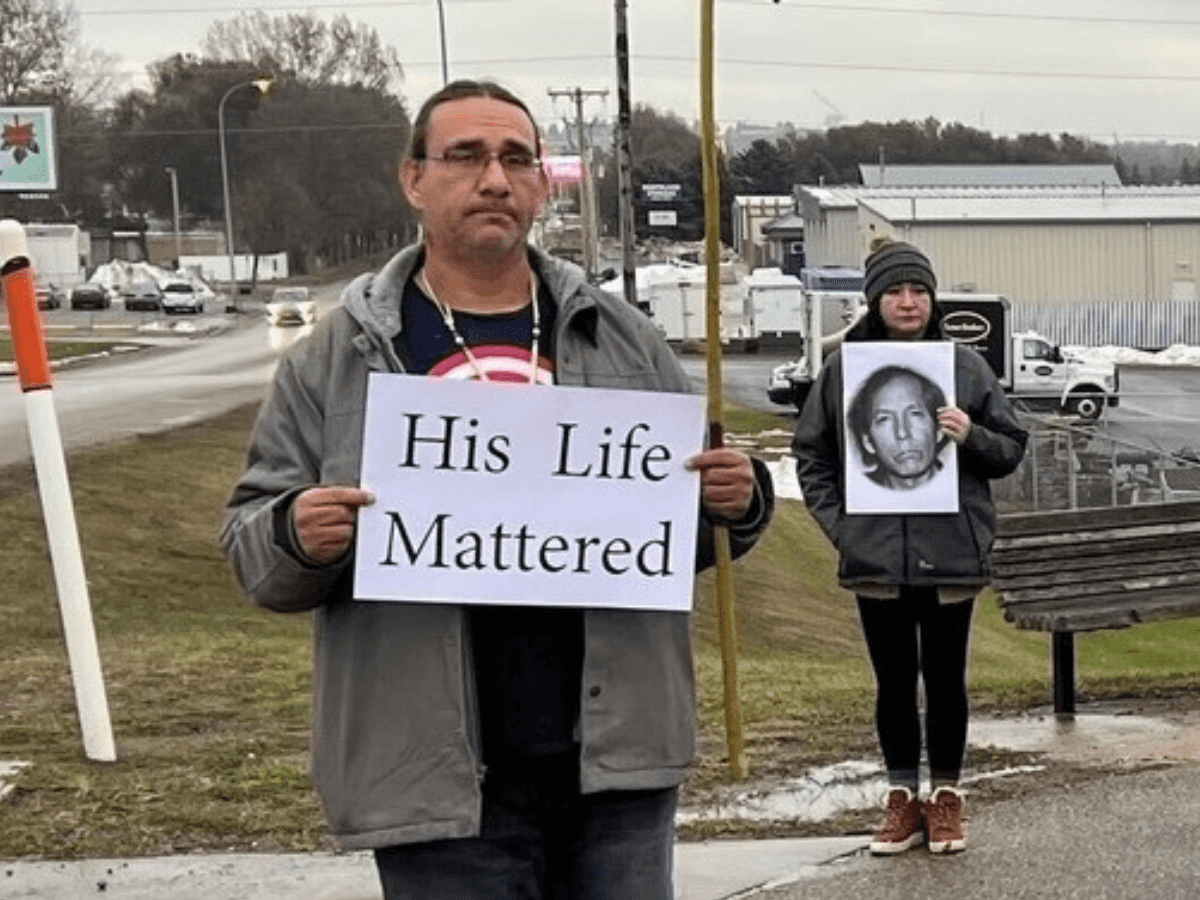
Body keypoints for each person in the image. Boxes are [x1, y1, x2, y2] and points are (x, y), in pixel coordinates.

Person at [219, 79, 773, 900]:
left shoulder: (626, 339)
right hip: (435, 779)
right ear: (414, 178)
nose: (494, 179)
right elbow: (251, 549)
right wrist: (296, 534)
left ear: (543, 186)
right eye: (466, 156)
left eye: (518, 159)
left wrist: (740, 500)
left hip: (614, 770)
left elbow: (671, 534)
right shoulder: (335, 357)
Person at [792, 237, 1026, 855]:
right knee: (893, 682)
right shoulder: (842, 371)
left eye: (918, 290)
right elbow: (812, 454)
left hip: (950, 552)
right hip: (876, 560)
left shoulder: (967, 369)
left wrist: (971, 433)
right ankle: (902, 800)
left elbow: (1009, 450)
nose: (907, 302)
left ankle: (946, 798)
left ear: (932, 299)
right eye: (895, 291)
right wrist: (844, 526)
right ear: (874, 300)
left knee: (946, 680)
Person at [846, 364, 949, 491]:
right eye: (884, 419)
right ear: (868, 442)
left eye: (915, 414)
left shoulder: (964, 487)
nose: (902, 433)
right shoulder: (854, 493)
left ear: (939, 429)